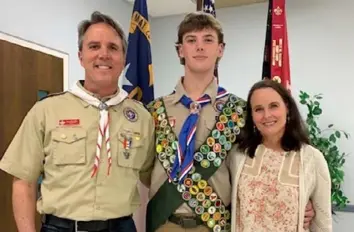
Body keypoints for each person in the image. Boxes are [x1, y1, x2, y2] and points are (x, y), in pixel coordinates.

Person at [145, 12, 315, 232]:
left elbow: (268, 160)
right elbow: (143, 170)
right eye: (191, 40)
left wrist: (300, 195)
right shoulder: (154, 111)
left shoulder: (240, 111)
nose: (199, 47)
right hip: (164, 223)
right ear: (180, 50)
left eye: (208, 39)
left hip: (217, 224)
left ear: (220, 49)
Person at [0, 11, 154, 232]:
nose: (104, 54)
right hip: (61, 227)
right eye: (94, 46)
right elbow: (23, 181)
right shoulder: (46, 111)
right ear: (81, 56)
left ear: (123, 59)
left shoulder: (142, 118)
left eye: (113, 48)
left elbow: (152, 177)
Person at [230, 79, 332, 232]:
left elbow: (323, 224)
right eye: (258, 109)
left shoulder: (312, 159)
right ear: (251, 116)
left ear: (288, 108)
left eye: (274, 106)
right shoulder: (237, 155)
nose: (267, 115)